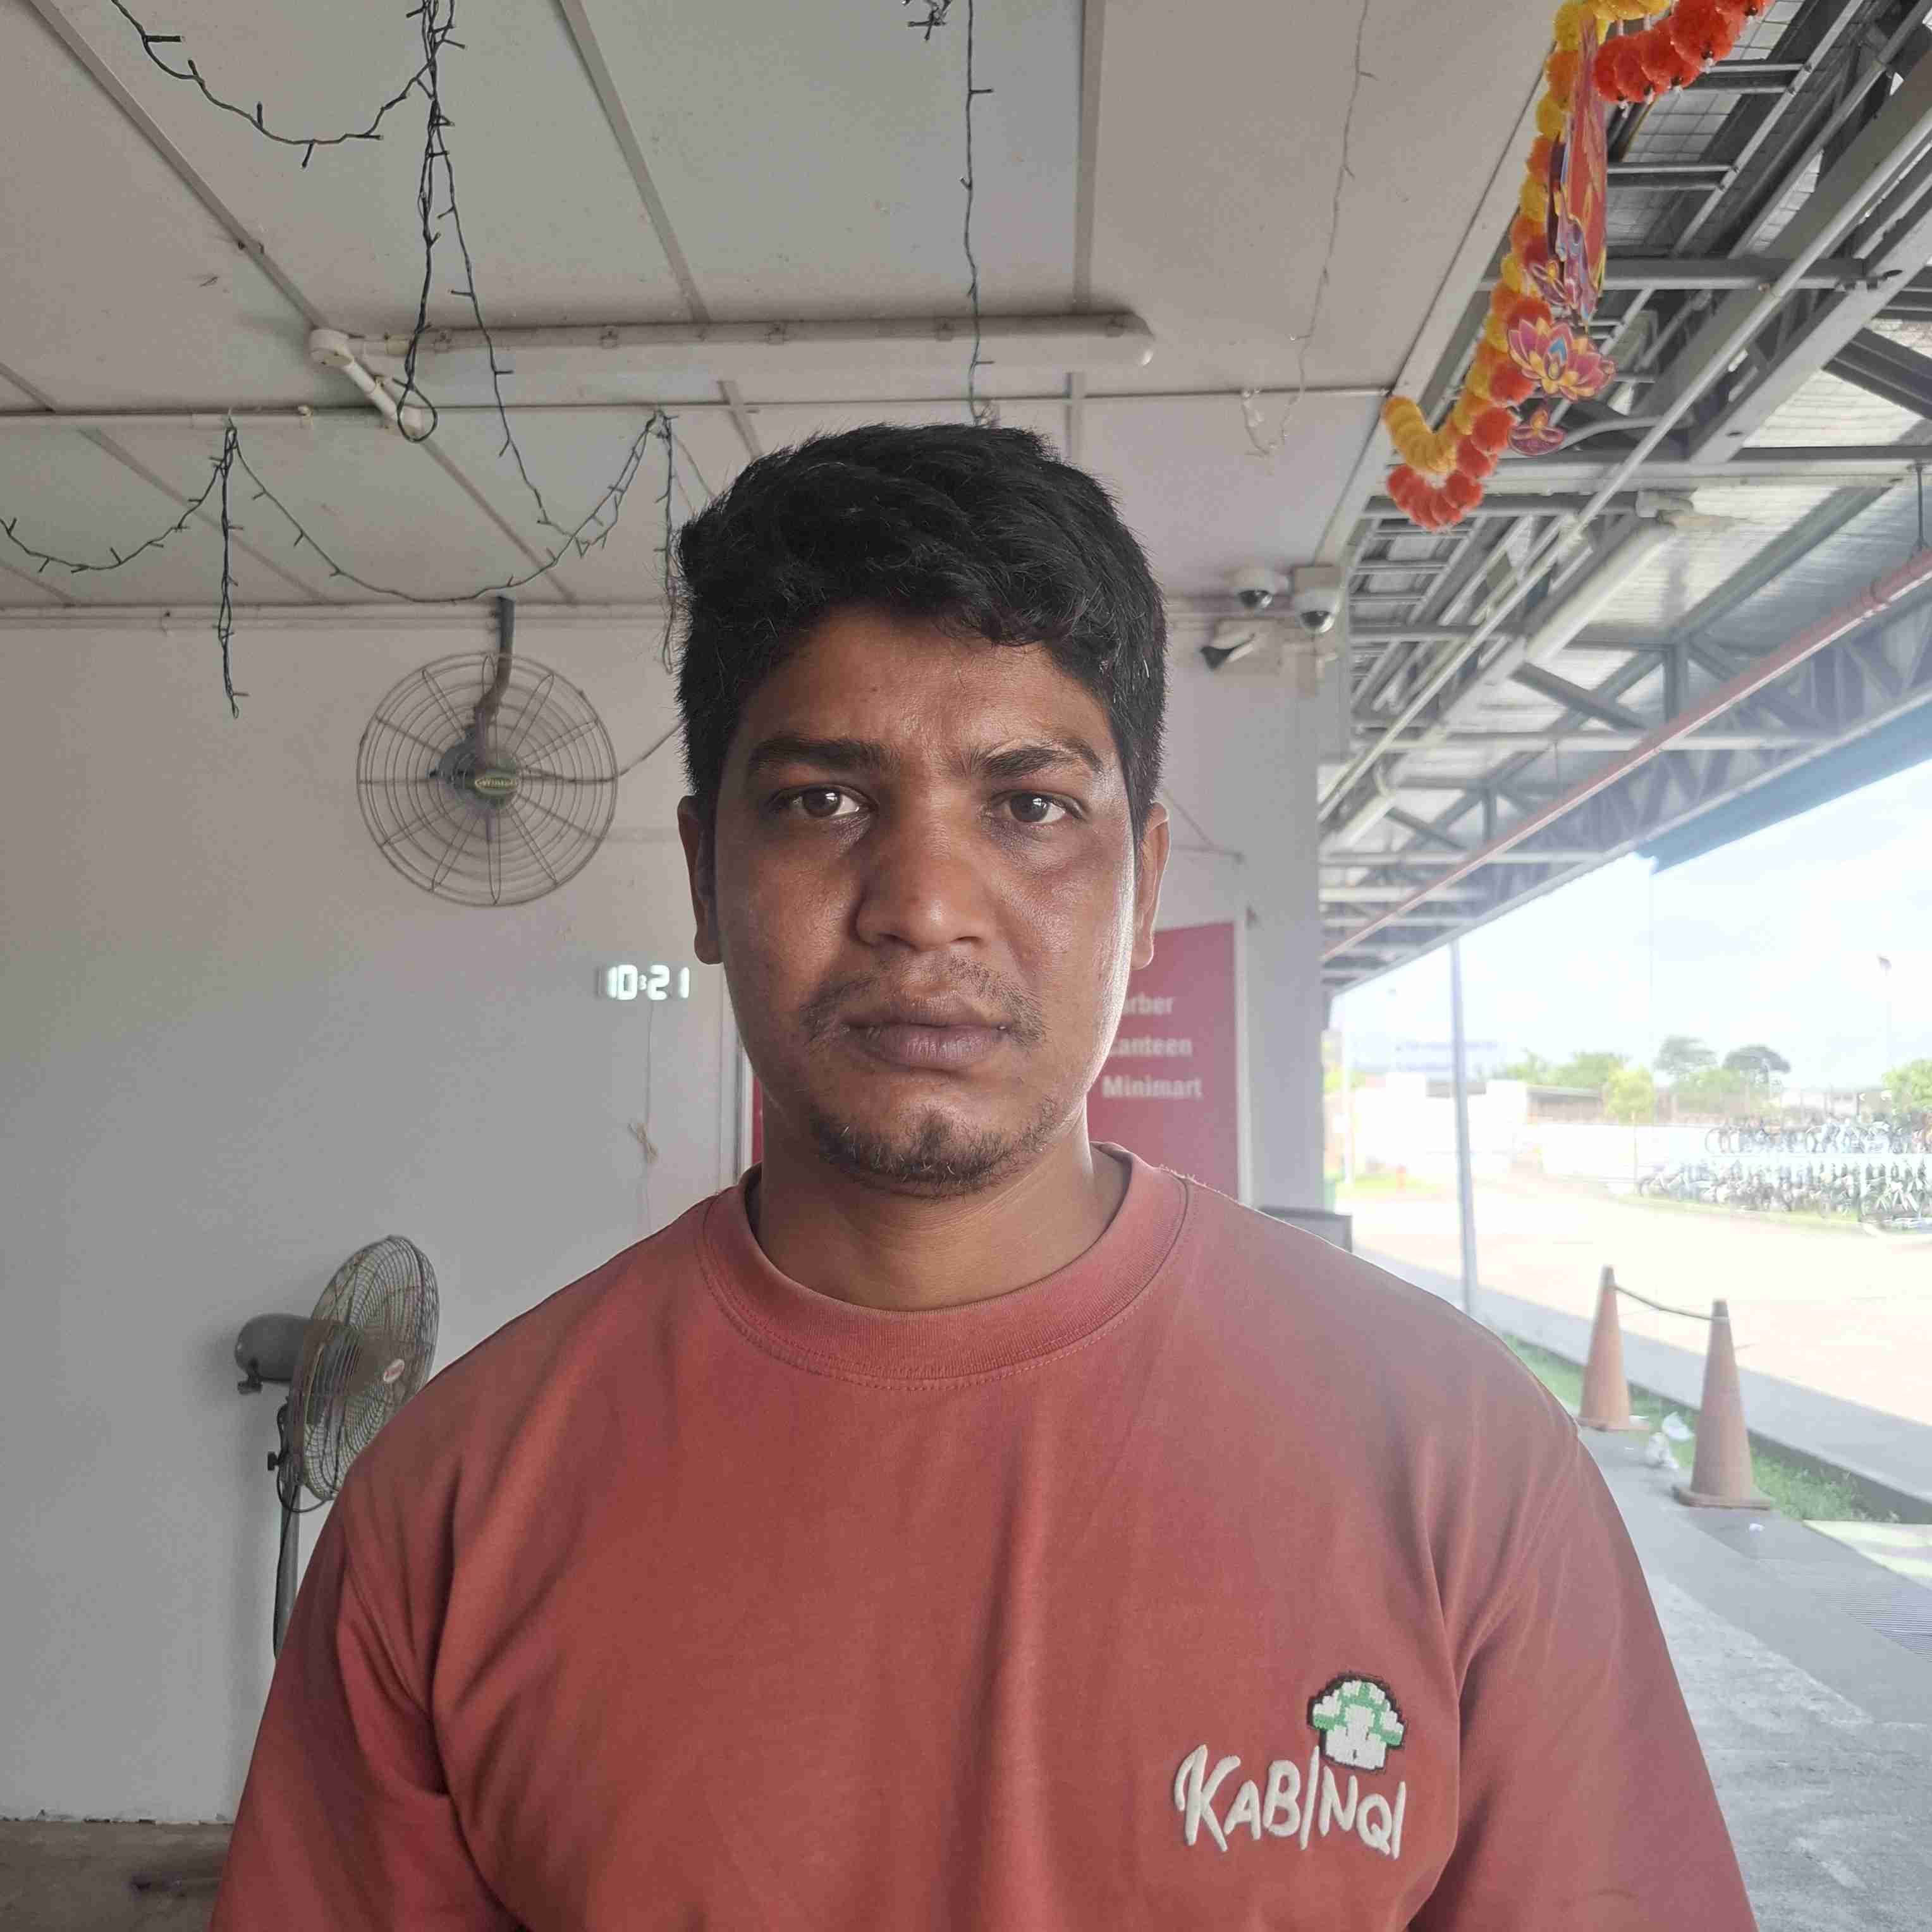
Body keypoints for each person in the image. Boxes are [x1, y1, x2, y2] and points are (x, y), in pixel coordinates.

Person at [212, 424, 1756, 1929]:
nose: (926, 906)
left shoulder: (1457, 1462)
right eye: (823, 800)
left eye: (1029, 807)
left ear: (1144, 887)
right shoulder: (460, 1504)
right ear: (702, 877)